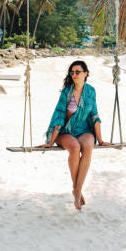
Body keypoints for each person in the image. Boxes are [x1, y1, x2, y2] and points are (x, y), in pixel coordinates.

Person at [38, 60, 111, 210]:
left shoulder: (91, 91)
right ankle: (77, 190)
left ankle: (76, 191)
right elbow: (58, 115)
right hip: (65, 130)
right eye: (72, 72)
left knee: (89, 145)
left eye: (78, 72)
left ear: (86, 74)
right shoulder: (67, 92)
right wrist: (51, 141)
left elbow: (94, 115)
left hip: (84, 129)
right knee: (75, 147)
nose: (74, 75)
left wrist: (101, 140)